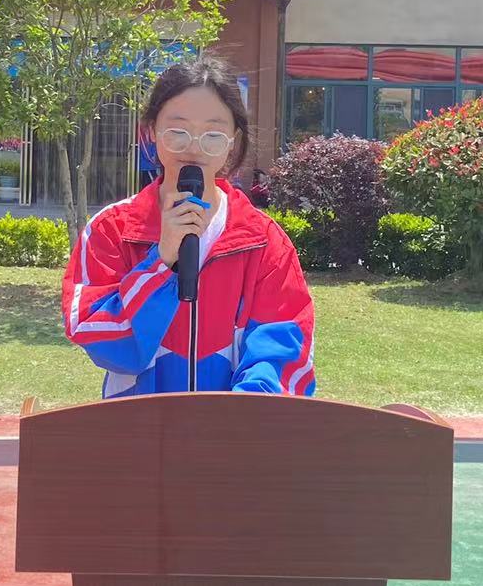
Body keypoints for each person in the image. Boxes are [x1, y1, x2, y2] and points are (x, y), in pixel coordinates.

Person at [62, 58, 316, 398]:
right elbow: (104, 343)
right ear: (151, 131)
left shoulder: (264, 241)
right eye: (178, 131)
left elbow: (282, 349)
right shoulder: (111, 230)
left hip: (233, 428)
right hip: (138, 426)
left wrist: (240, 416)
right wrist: (160, 263)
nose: (194, 147)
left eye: (213, 134)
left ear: (232, 139)